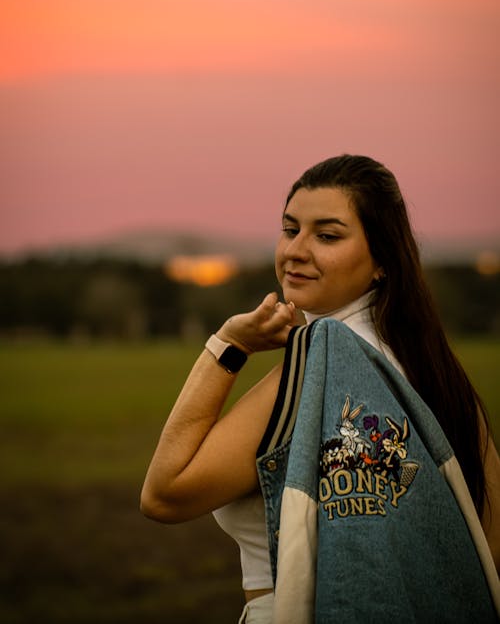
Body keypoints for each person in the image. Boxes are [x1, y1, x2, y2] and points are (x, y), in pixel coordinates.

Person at [141, 154, 500, 622]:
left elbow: (164, 495)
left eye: (327, 236)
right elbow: (489, 547)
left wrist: (228, 346)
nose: (296, 250)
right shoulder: (436, 371)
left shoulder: (315, 369)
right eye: (291, 229)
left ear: (382, 261)